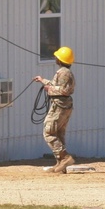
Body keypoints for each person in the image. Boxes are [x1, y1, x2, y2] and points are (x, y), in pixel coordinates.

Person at [33, 46, 75, 174]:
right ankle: (60, 163)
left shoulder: (64, 72)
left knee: (49, 132)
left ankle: (65, 158)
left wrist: (48, 89)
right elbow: (57, 85)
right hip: (64, 105)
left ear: (60, 59)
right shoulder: (64, 72)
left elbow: (64, 90)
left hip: (60, 105)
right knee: (58, 133)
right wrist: (42, 81)